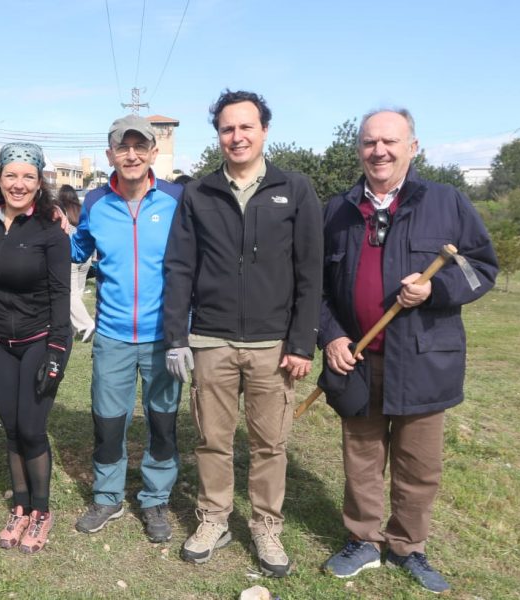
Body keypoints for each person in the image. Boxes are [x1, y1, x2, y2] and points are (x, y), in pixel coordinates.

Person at [319, 108, 497, 594]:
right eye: (370, 142)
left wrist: (434, 292)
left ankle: (408, 545)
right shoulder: (336, 209)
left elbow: (482, 268)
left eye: (391, 141)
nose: (380, 151)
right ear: (359, 149)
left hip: (423, 359)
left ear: (412, 147)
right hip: (357, 358)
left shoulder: (446, 202)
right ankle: (363, 540)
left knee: (419, 464)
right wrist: (331, 335)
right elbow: (316, 286)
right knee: (361, 455)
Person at [162, 90, 322, 576]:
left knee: (270, 443)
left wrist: (300, 343)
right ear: (218, 136)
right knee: (213, 439)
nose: (237, 136)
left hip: (273, 345)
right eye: (227, 129)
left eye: (246, 127)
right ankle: (214, 518)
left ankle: (266, 525)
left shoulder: (294, 190)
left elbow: (310, 273)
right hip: (211, 340)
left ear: (264, 131)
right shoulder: (199, 192)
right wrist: (176, 337)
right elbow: (180, 268)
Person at [72, 115, 183, 543]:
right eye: (123, 147)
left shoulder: (176, 199)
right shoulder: (96, 203)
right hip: (114, 335)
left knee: (162, 422)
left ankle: (155, 501)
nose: (132, 155)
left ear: (154, 152)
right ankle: (108, 495)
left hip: (164, 338)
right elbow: (77, 247)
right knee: (108, 421)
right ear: (110, 155)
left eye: (141, 146)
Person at [0, 143, 71, 554]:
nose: (19, 184)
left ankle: (42, 512)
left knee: (32, 429)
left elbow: (61, 295)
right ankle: (19, 505)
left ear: (40, 182)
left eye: (28, 177)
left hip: (38, 340)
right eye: (11, 175)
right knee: (11, 428)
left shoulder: (51, 230)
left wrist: (56, 350)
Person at [59, 184, 95, 341]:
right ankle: (73, 329)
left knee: (70, 293)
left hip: (71, 253)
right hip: (85, 256)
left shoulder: (62, 210)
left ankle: (86, 324)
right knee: (77, 292)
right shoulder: (81, 209)